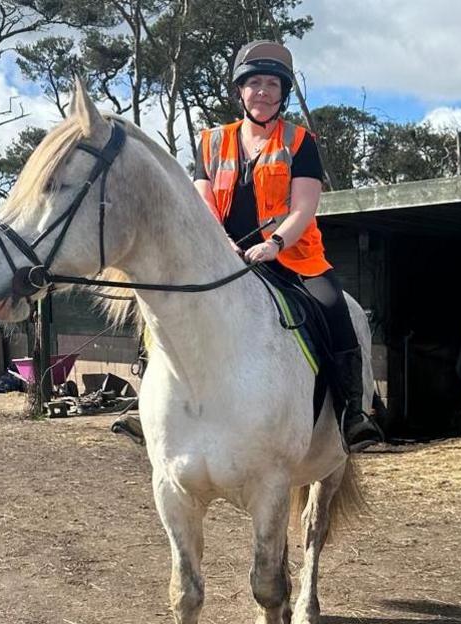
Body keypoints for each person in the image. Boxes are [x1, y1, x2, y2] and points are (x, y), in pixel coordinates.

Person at [112, 40, 383, 452]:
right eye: (254, 82)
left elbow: (305, 206)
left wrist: (275, 244)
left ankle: (352, 413)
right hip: (222, 258)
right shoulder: (211, 142)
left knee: (334, 309)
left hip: (291, 256)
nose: (262, 91)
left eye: (272, 84)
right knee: (164, 304)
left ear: (283, 93)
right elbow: (203, 202)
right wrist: (222, 244)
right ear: (239, 90)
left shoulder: (300, 142)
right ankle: (144, 401)